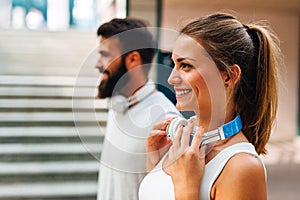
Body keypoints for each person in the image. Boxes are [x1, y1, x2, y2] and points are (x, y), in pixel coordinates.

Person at [139, 12, 283, 200]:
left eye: (186, 66)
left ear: (228, 76)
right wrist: (155, 165)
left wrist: (187, 188)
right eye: (174, 64)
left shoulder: (243, 167)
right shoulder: (181, 147)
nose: (171, 78)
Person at [95, 18, 180, 200]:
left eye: (105, 55)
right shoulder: (118, 105)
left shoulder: (165, 119)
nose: (98, 64)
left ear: (133, 59)